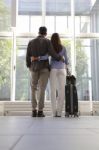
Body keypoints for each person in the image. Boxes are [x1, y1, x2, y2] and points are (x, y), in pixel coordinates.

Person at [26, 27, 64, 117]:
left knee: (33, 89)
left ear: (38, 32)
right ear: (45, 33)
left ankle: (33, 110)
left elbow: (28, 56)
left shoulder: (31, 42)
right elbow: (52, 53)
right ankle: (40, 111)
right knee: (42, 89)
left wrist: (29, 65)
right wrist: (60, 57)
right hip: (44, 68)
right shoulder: (47, 42)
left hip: (34, 68)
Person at [50, 33, 69, 117]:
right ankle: (59, 112)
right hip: (62, 69)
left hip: (53, 69)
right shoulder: (63, 48)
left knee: (53, 91)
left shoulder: (50, 48)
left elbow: (46, 57)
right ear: (59, 39)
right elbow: (67, 61)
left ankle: (54, 112)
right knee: (62, 91)